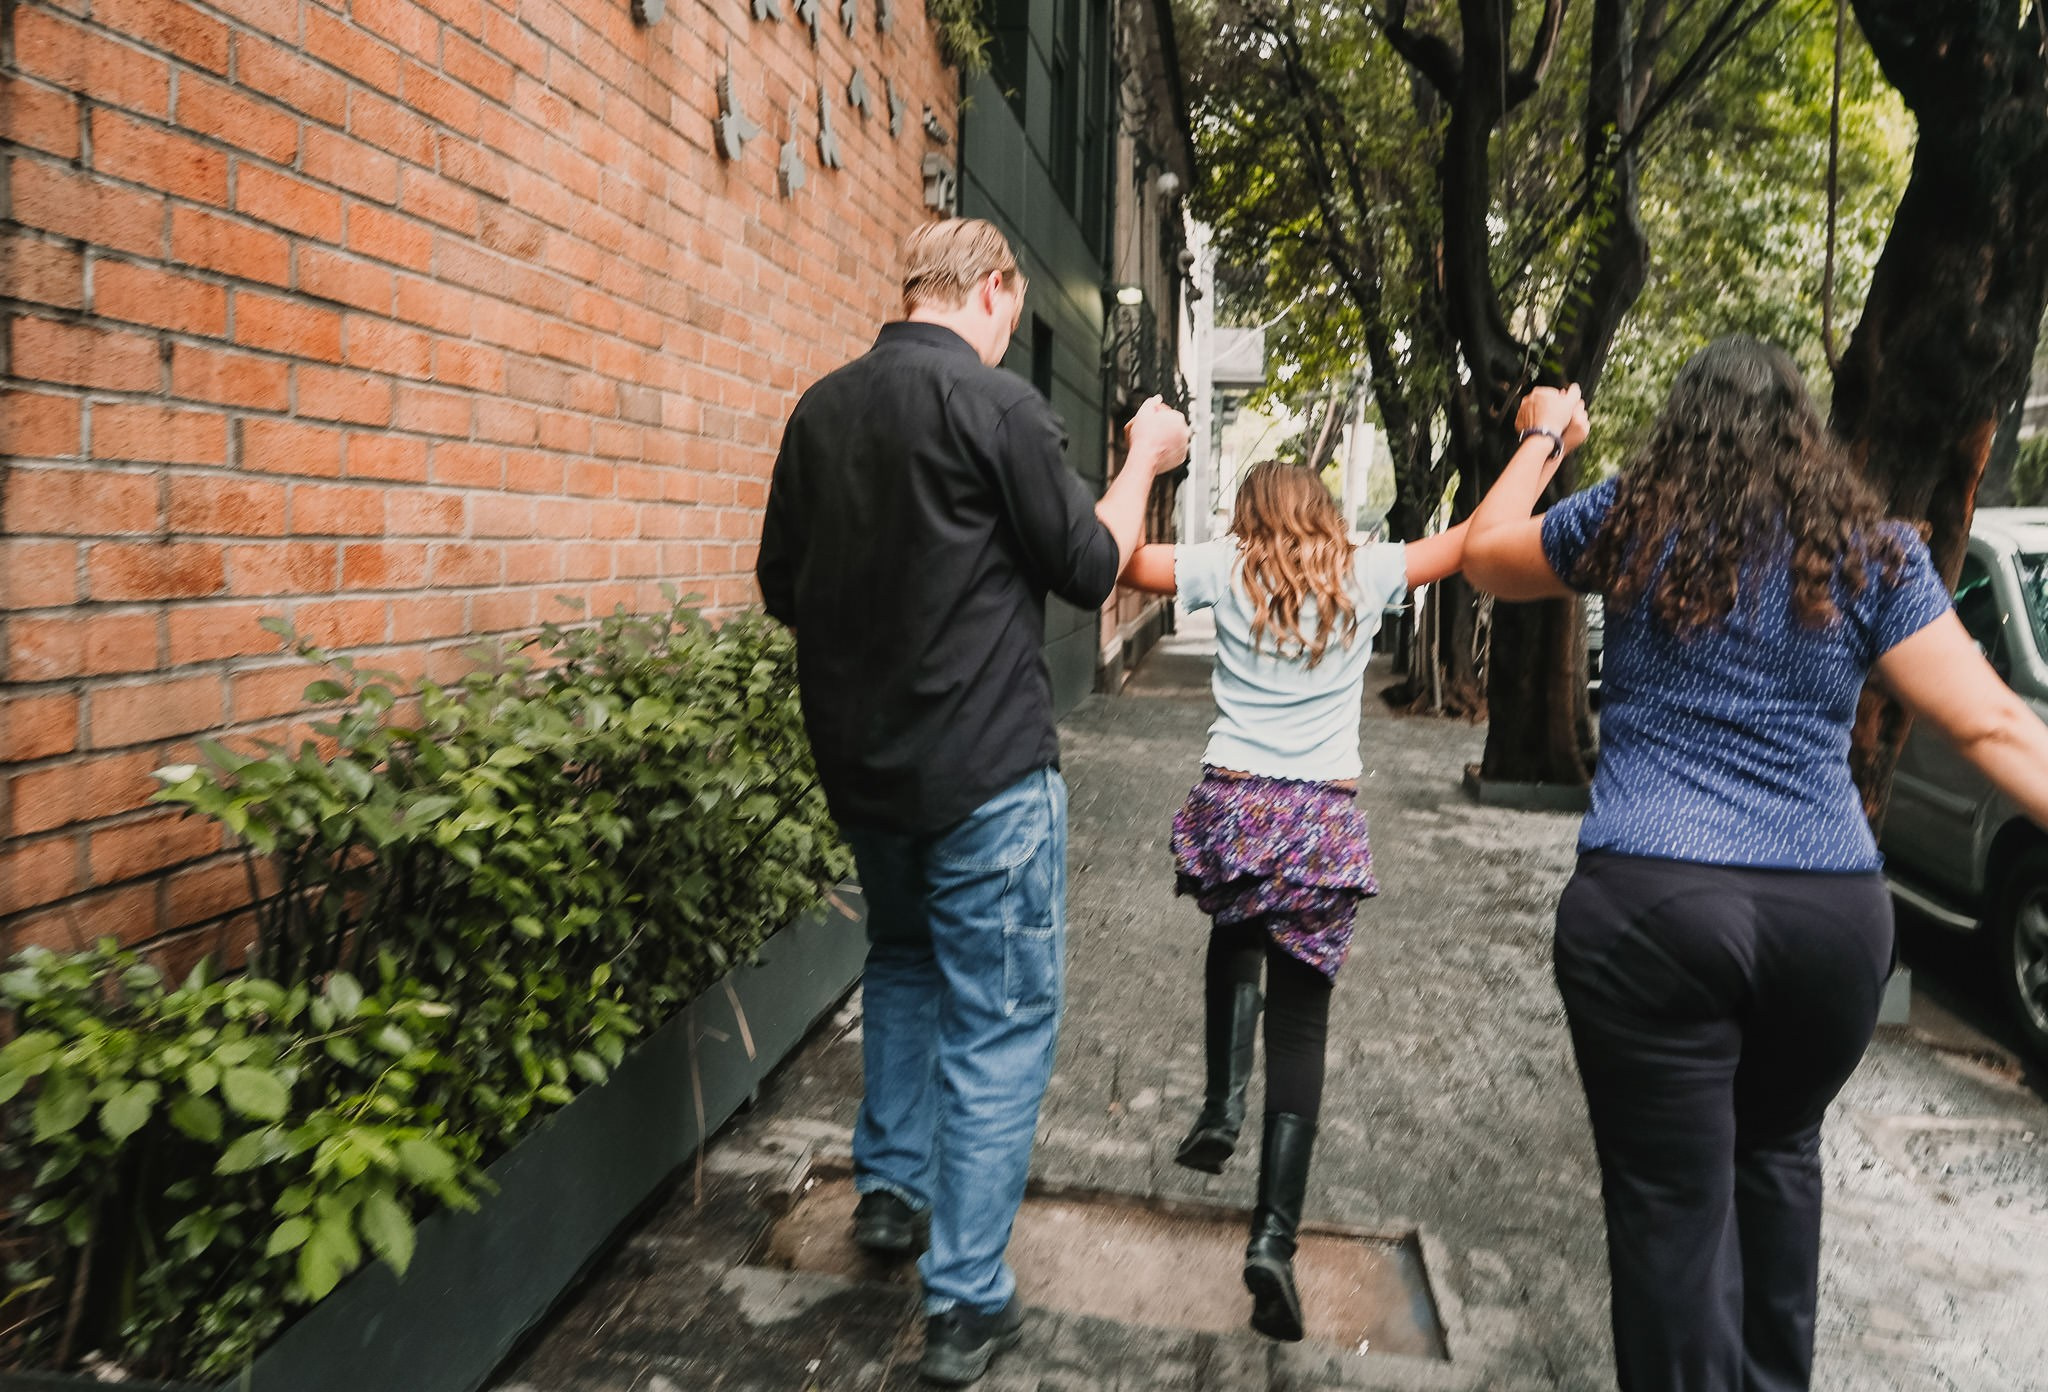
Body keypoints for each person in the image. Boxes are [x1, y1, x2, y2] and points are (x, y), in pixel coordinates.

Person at [1461, 336, 2048, 1391]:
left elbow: (1480, 551)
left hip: (1652, 911)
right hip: (1827, 927)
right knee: (1777, 1156)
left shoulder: (1628, 522)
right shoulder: (1869, 549)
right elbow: (1996, 726)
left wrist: (1548, 432)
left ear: (1678, 425)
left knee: (1671, 1222)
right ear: (1802, 432)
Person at [756, 217, 1191, 1388]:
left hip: (865, 779)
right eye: (1013, 304)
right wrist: (1142, 455)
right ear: (996, 288)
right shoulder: (995, 410)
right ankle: (963, 1303)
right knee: (1000, 1025)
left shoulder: (820, 410)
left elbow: (778, 587)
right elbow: (1090, 566)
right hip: (984, 783)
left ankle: (889, 1200)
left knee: (900, 966)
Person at [1119, 459, 1484, 1342]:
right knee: (1301, 1025)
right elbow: (1473, 543)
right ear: (1323, 509)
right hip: (1321, 817)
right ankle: (1273, 1242)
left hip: (1236, 799)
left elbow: (1122, 560)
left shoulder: (1223, 565)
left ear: (1249, 513)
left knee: (1233, 928)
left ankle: (1220, 1105)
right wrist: (1544, 441)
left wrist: (1141, 456)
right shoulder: (1365, 571)